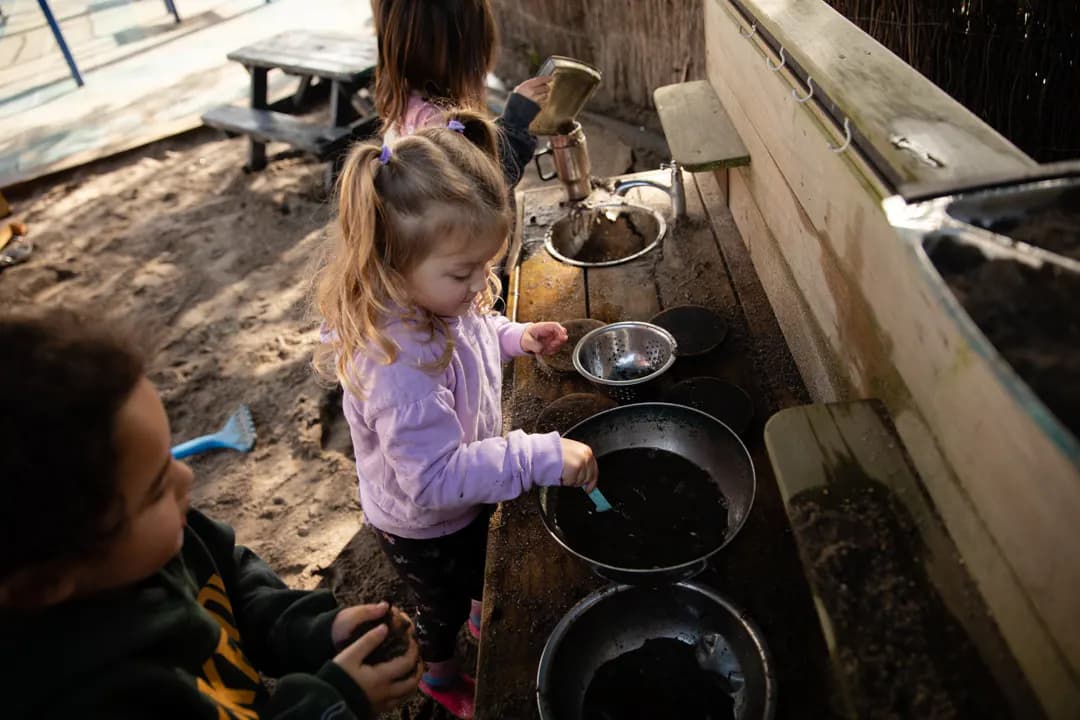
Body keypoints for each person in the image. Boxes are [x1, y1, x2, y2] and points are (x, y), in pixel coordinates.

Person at [0, 308, 420, 719]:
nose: (186, 479)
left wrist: (314, 632)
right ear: (48, 583)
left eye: (168, 458)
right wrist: (333, 701)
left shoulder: (163, 539)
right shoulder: (99, 697)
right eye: (157, 488)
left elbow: (234, 585)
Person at [315, 111, 598, 719]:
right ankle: (439, 675)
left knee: (475, 563)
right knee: (437, 606)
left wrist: (513, 337)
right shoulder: (397, 366)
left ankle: (476, 605)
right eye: (463, 272)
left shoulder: (437, 297)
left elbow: (471, 331)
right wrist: (535, 454)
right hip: (422, 522)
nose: (480, 284)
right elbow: (434, 480)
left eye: (485, 266)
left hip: (461, 493)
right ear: (393, 261)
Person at [372, 0, 550, 190]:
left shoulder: (405, 103)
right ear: (463, 52)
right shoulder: (436, 125)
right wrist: (516, 122)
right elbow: (488, 190)